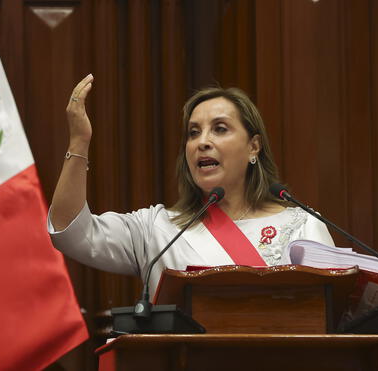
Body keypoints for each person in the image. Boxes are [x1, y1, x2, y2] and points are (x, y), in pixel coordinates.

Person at [47, 74, 334, 298]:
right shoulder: (158, 230)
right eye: (193, 133)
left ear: (253, 147)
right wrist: (79, 142)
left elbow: (330, 318)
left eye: (220, 129)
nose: (202, 142)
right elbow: (71, 233)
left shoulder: (302, 225)